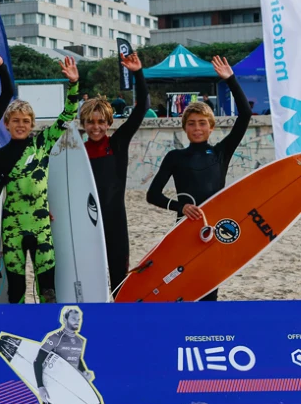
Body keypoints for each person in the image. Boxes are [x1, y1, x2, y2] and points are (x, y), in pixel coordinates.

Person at [146, 56, 251, 301]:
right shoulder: (175, 157)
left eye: (202, 123)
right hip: (183, 228)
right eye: (191, 123)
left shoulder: (220, 153)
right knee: (182, 285)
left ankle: (206, 331)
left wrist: (230, 80)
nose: (197, 128)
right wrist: (180, 206)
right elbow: (153, 195)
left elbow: (245, 114)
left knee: (209, 286)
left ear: (211, 127)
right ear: (185, 128)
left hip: (215, 228)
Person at [0, 56, 80, 304]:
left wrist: (74, 84)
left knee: (48, 289)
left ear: (32, 124)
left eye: (26, 121)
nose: (20, 125)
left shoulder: (42, 143)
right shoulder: (0, 156)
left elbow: (68, 115)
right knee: (16, 290)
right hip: (12, 228)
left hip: (41, 228)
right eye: (15, 120)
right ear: (6, 124)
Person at [80, 53, 149, 295]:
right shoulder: (77, 150)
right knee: (89, 276)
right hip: (87, 222)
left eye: (100, 122)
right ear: (84, 124)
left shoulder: (117, 143)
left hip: (115, 220)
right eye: (90, 122)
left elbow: (142, 109)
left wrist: (138, 73)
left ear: (108, 123)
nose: (95, 127)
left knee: (119, 276)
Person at [33, 307, 93, 404]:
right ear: (64, 320)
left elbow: (77, 359)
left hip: (71, 387)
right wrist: (40, 387)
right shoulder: (55, 337)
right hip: (53, 386)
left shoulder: (80, 341)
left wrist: (84, 372)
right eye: (73, 319)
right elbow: (37, 361)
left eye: (79, 319)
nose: (77, 322)